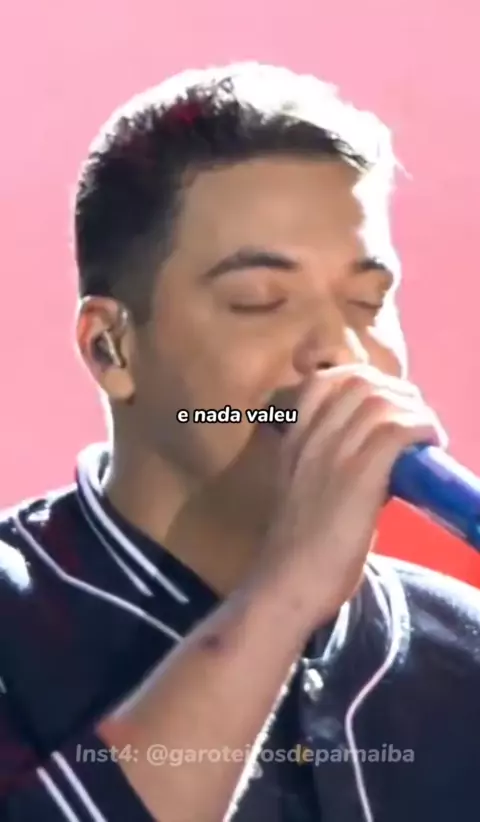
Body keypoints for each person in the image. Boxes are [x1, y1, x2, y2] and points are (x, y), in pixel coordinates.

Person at [1, 62, 480, 822]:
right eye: (260, 301)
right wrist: (286, 596)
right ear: (110, 348)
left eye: (367, 301)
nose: (341, 353)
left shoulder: (464, 645)